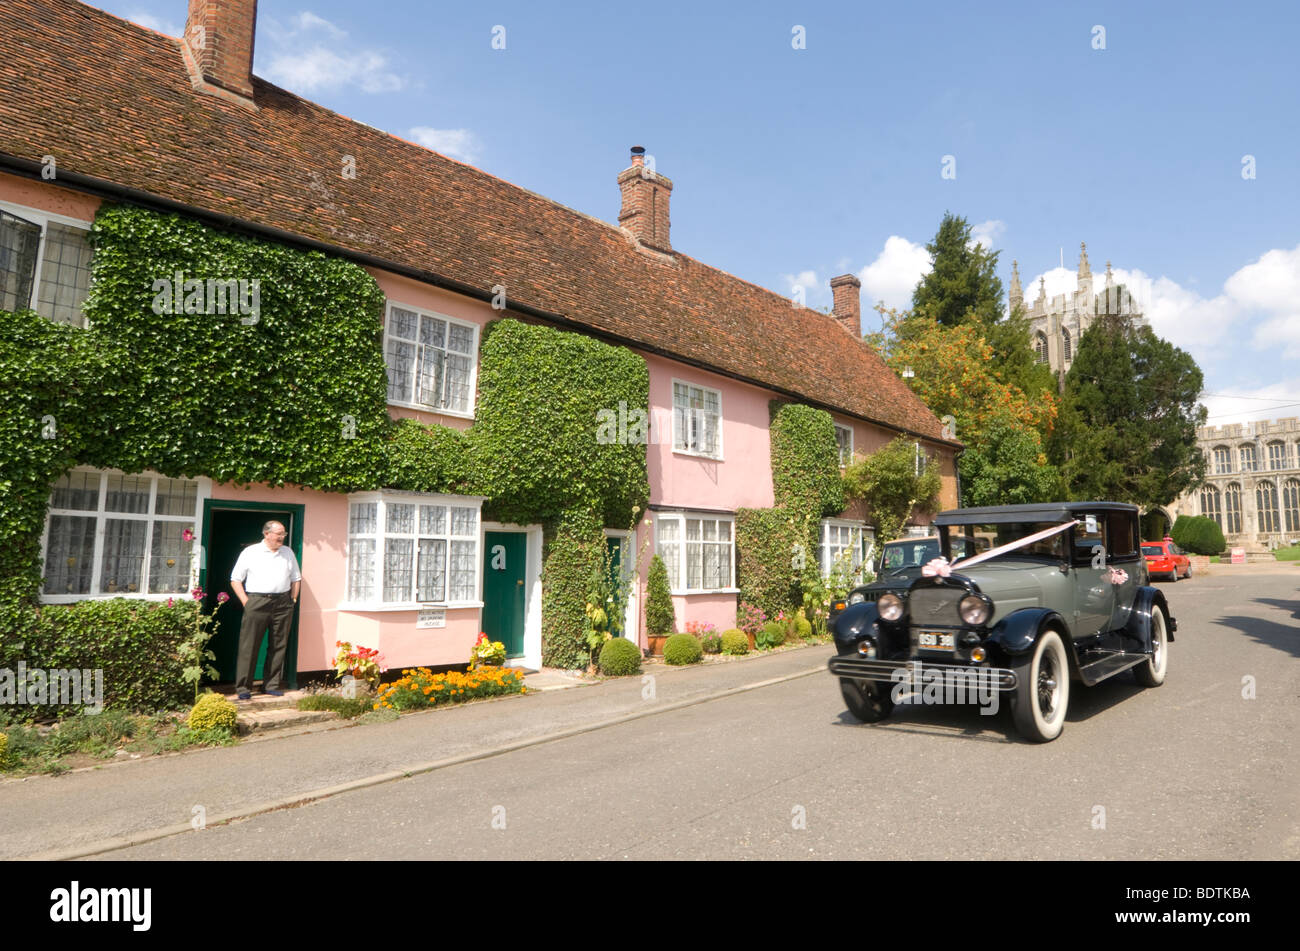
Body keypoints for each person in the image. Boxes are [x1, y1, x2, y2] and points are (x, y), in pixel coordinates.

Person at [229, 520, 301, 700]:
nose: (282, 538)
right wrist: (246, 602)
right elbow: (235, 579)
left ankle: (271, 685)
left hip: (283, 602)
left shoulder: (288, 552)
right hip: (257, 601)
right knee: (249, 645)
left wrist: (292, 599)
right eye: (279, 534)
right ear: (266, 534)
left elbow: (296, 578)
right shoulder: (250, 552)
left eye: (283, 534)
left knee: (279, 644)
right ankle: (244, 687)